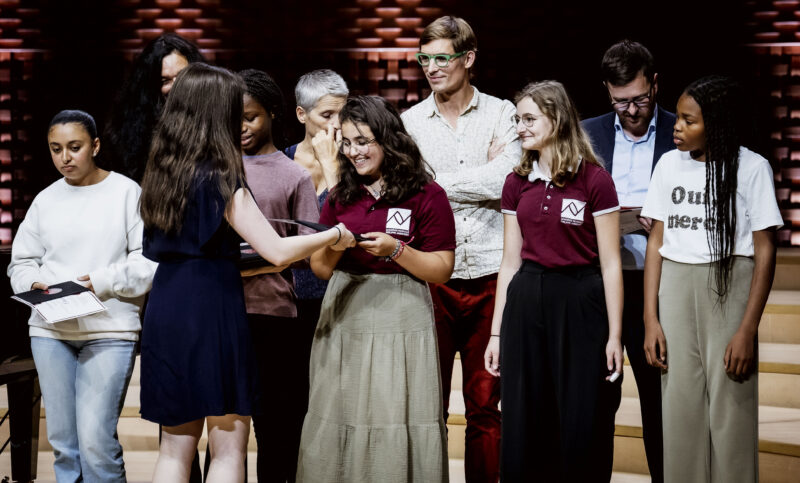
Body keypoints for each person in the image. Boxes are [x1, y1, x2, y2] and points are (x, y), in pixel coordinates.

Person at [138, 63, 355, 483]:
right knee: (228, 447)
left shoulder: (161, 171)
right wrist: (332, 234)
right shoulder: (222, 174)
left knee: (173, 449)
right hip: (213, 308)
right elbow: (274, 250)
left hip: (166, 307)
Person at [296, 95, 455, 482]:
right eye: (347, 142)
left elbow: (442, 269)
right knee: (339, 411)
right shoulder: (341, 195)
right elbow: (319, 268)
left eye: (363, 141)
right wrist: (336, 245)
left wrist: (396, 249)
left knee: (393, 413)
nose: (353, 152)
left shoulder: (426, 194)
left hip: (401, 315)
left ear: (388, 138)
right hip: (345, 313)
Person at [641, 75, 782, 482]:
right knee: (680, 410)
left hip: (729, 284)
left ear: (716, 124)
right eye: (679, 118)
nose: (677, 127)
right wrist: (651, 319)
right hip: (676, 288)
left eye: (689, 120)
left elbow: (765, 250)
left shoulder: (752, 168)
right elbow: (656, 244)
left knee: (730, 410)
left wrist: (747, 330)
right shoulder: (669, 164)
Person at [483, 80, 623, 482]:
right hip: (527, 300)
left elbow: (611, 262)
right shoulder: (516, 182)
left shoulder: (593, 180)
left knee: (581, 415)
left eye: (529, 119)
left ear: (557, 119)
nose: (520, 127)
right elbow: (510, 261)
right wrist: (496, 335)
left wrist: (614, 336)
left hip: (580, 301)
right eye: (517, 119)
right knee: (525, 413)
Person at [400, 16, 520, 482]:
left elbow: (509, 178)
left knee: (486, 407)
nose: (431, 67)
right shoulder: (409, 122)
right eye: (424, 59)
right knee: (427, 406)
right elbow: (412, 190)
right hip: (432, 276)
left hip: (492, 273)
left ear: (468, 59)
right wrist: (480, 182)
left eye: (441, 58)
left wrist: (437, 185)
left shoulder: (502, 113)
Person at [7, 110, 157, 482]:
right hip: (50, 331)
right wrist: (31, 283)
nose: (65, 158)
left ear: (95, 145)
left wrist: (100, 281)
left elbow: (148, 262)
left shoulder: (125, 192)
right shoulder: (46, 199)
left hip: (109, 329)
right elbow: (21, 261)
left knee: (96, 444)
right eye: (56, 149)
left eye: (74, 147)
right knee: (64, 446)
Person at [581, 39, 674, 482]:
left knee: (661, 408)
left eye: (639, 99)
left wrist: (653, 222)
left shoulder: (684, 131)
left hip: (661, 290)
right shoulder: (587, 134)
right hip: (600, 289)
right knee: (598, 406)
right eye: (621, 102)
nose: (632, 111)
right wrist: (610, 221)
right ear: (606, 92)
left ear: (655, 85)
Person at [238, 68, 320, 482]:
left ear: (272, 113)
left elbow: (309, 249)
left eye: (249, 117)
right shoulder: (215, 169)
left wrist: (268, 259)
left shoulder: (294, 174)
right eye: (232, 118)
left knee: (276, 429)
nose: (241, 128)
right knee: (225, 429)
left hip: (274, 314)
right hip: (224, 313)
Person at [284, 69, 349, 333]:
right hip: (291, 297)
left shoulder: (356, 165)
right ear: (302, 115)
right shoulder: (283, 162)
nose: (336, 124)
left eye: (341, 115)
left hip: (342, 292)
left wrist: (334, 165)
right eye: (326, 115)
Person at [105, 33, 204, 183]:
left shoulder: (214, 119)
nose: (177, 86)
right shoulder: (131, 133)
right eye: (165, 80)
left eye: (183, 75)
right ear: (151, 87)